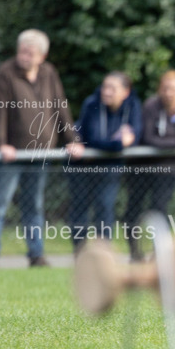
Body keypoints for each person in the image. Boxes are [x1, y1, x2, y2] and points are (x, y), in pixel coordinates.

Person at [0, 29, 84, 268]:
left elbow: (60, 106)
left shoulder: (49, 74)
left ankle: (36, 255)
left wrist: (72, 138)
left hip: (41, 153)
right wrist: (0, 144)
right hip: (12, 154)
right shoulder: (5, 73)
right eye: (21, 51)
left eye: (30, 52)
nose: (24, 56)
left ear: (42, 56)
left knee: (34, 205)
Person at [123, 70, 175, 260]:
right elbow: (149, 138)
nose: (169, 93)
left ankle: (159, 253)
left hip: (170, 168)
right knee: (133, 209)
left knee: (159, 208)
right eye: (165, 89)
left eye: (173, 89)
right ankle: (135, 252)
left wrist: (170, 143)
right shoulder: (151, 106)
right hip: (142, 166)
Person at [68, 71, 142, 251]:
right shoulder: (91, 104)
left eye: (112, 88)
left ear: (125, 92)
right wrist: (117, 143)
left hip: (109, 167)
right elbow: (93, 139)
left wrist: (115, 145)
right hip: (82, 164)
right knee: (80, 208)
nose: (106, 91)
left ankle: (103, 254)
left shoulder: (133, 106)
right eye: (105, 86)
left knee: (105, 207)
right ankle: (80, 253)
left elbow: (135, 137)